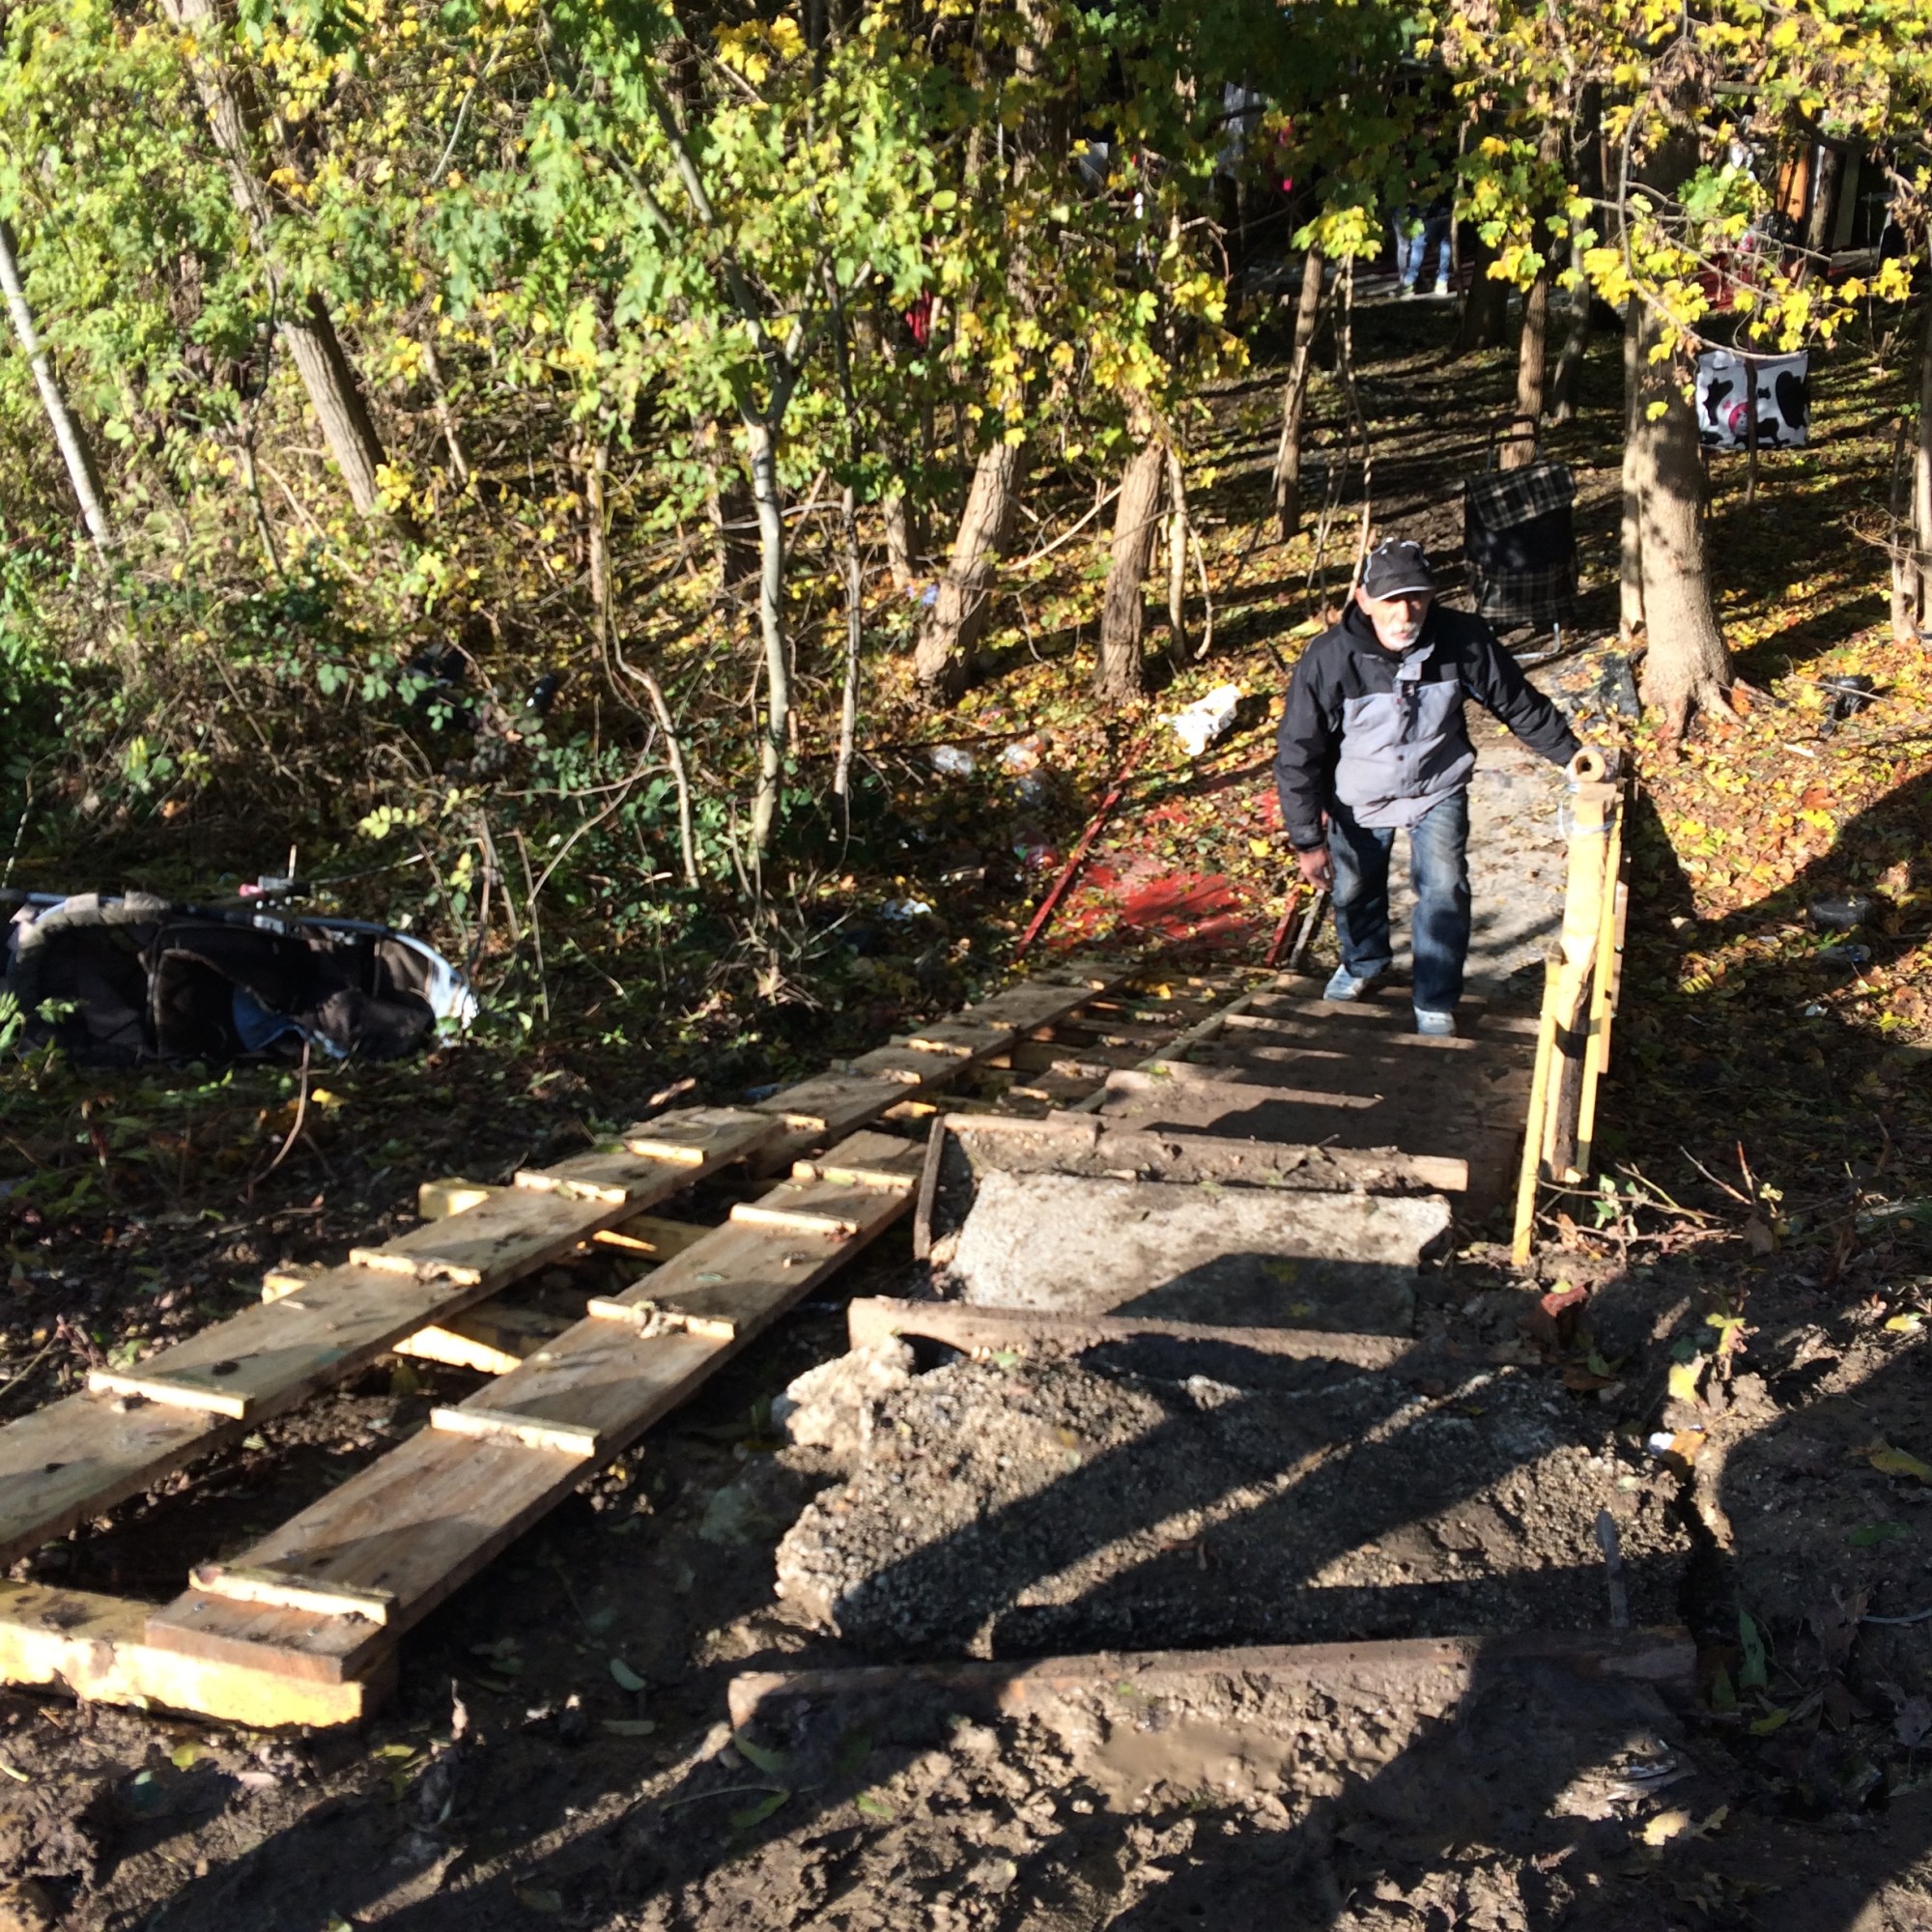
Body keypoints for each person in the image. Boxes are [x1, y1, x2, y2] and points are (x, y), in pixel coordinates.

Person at [1273, 538, 1587, 1037]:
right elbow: (1298, 751)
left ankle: (1435, 999)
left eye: (1416, 598)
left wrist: (1572, 757)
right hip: (1359, 795)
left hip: (1437, 786)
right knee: (1354, 888)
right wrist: (1307, 839)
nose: (1405, 614)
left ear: (1431, 596)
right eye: (1391, 601)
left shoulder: (1463, 639)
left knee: (1444, 888)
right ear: (1363, 599)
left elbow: (1518, 702)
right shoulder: (1329, 658)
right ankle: (1362, 963)